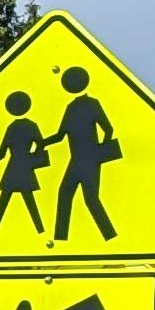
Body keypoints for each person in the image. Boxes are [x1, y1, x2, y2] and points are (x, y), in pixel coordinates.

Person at [51, 66, 122, 243]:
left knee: (90, 198)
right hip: (76, 160)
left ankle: (110, 236)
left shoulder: (92, 104)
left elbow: (108, 129)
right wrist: (41, 143)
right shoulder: (71, 107)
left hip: (90, 160)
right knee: (65, 193)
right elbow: (61, 135)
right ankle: (60, 238)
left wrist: (99, 152)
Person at [0, 91, 52, 238]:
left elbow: (2, 153)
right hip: (25, 166)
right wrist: (31, 158)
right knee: (27, 200)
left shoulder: (12, 127)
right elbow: (41, 145)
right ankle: (40, 231)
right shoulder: (31, 126)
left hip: (14, 167)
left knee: (5, 201)